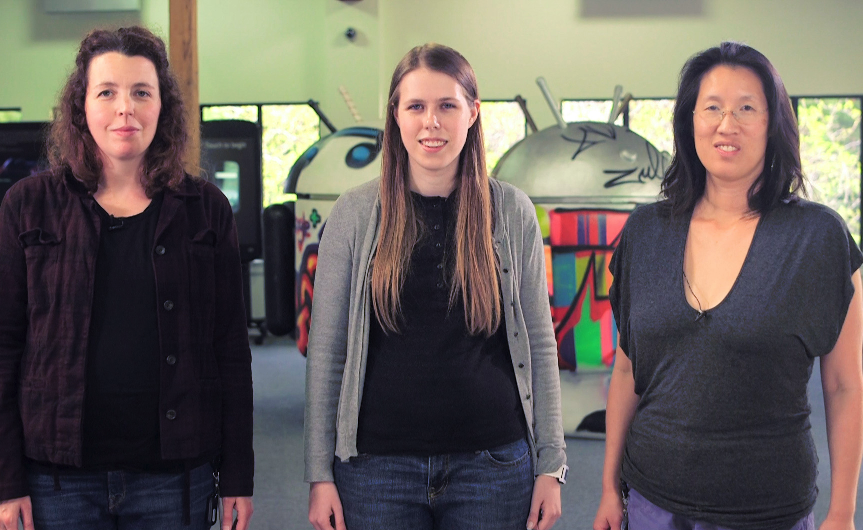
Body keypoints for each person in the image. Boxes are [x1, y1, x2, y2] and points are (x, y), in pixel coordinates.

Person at [593, 41, 863, 530]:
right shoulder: (645, 232)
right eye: (712, 107)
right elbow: (627, 373)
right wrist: (610, 488)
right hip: (652, 499)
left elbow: (844, 385)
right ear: (689, 121)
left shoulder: (819, 237)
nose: (727, 124)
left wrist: (842, 511)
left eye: (746, 108)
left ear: (773, 122)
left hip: (767, 510)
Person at [304, 43, 567, 530]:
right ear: (396, 117)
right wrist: (320, 473)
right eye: (416, 106)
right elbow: (327, 353)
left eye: (447, 105)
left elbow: (539, 344)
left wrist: (551, 464)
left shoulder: (511, 212)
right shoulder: (355, 214)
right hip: (375, 470)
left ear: (472, 113)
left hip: (493, 467)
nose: (432, 122)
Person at [0, 26, 254, 530]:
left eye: (142, 92)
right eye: (107, 92)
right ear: (82, 106)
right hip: (56, 480)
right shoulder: (27, 205)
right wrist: (6, 483)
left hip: (174, 476)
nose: (125, 108)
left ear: (163, 106)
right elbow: (4, 347)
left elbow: (229, 349)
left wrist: (239, 475)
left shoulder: (206, 209)